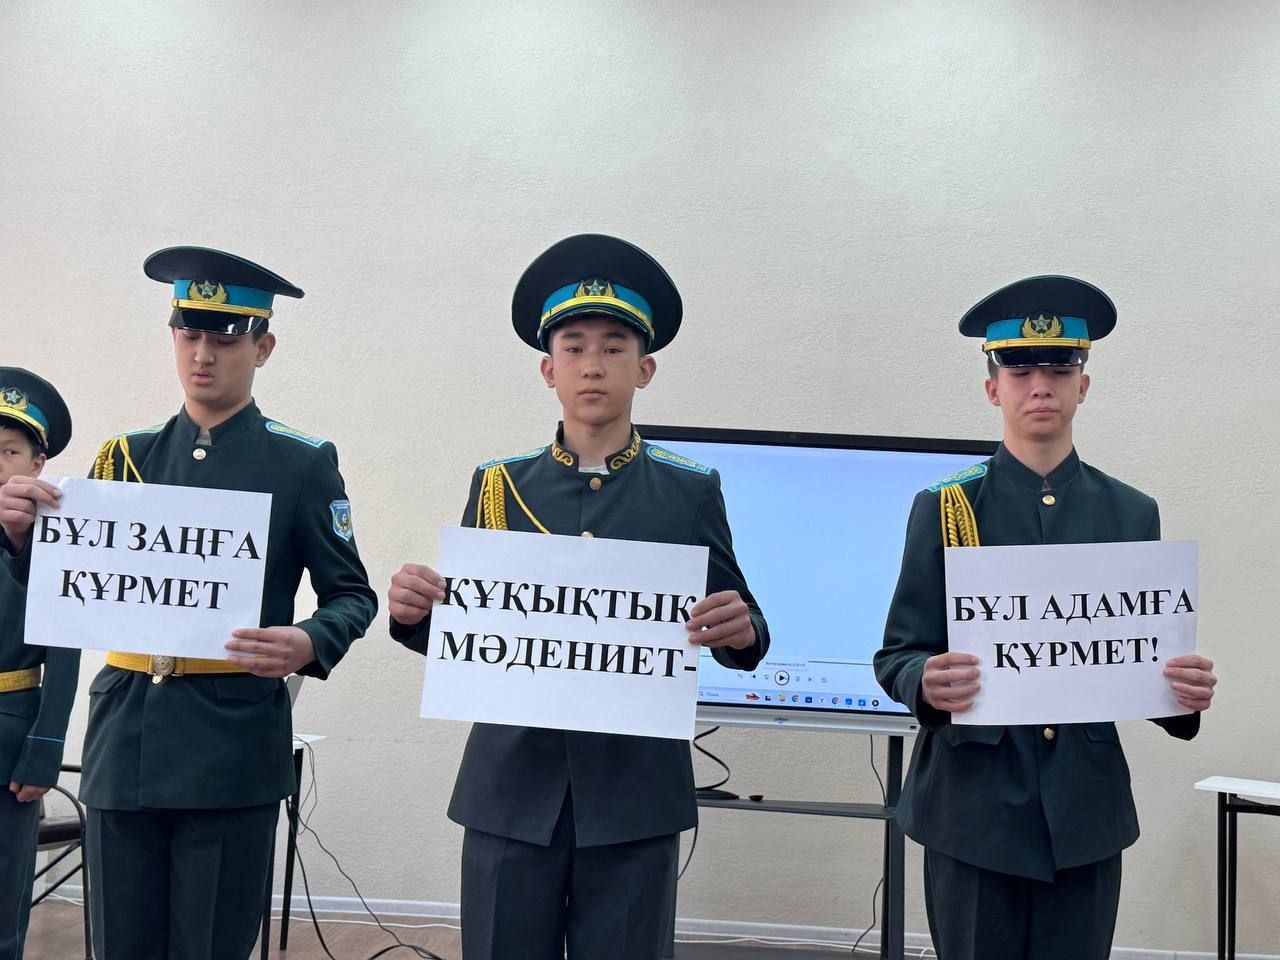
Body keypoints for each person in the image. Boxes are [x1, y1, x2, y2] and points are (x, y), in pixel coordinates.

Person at [387, 234, 770, 960]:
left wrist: (742, 629)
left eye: (614, 347)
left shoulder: (689, 490)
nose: (593, 364)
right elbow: (471, 633)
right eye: (574, 347)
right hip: (510, 791)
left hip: (633, 798)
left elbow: (741, 620)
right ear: (548, 369)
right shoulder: (499, 485)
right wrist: (414, 615)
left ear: (645, 368)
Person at [0, 247, 378, 959]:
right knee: (118, 945)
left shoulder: (301, 462)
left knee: (207, 946)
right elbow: (66, 598)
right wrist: (21, 542)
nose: (203, 354)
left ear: (263, 347)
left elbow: (351, 595)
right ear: (173, 336)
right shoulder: (125, 457)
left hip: (230, 744)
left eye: (225, 339)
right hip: (125, 736)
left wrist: (308, 639)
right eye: (190, 333)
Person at [874, 275, 1218, 960]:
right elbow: (898, 653)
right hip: (971, 812)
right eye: (1020, 369)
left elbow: (1133, 655)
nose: (1041, 386)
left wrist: (1181, 691)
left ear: (1082, 385)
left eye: (1060, 369)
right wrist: (925, 680)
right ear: (992, 388)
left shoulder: (1130, 512)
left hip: (1084, 813)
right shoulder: (946, 507)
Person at [0, 368, 76, 959]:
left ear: (38, 463)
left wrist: (47, 745)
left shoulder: (57, 541)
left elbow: (65, 650)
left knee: (3, 909)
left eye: (9, 451)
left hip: (9, 737)